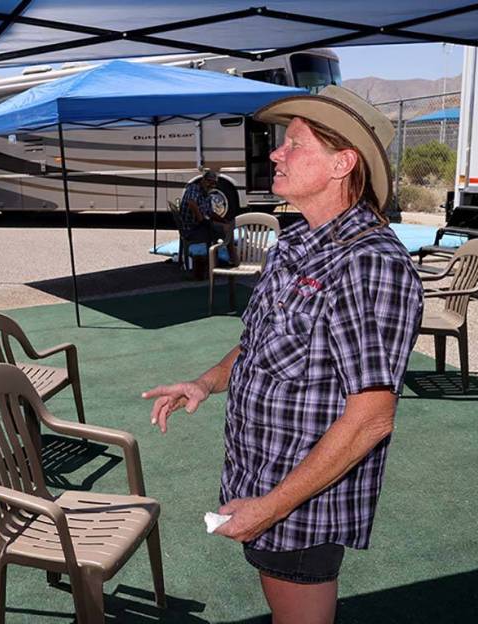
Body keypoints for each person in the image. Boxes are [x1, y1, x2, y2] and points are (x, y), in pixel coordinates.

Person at [143, 87, 423, 624]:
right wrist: (204, 382)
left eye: (294, 144)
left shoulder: (369, 263)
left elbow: (371, 419)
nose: (275, 154)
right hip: (261, 477)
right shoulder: (297, 241)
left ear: (343, 163)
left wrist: (271, 508)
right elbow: (259, 341)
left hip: (301, 503)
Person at [176, 169, 230, 246]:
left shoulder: (207, 194)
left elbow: (210, 213)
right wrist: (201, 220)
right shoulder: (194, 188)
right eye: (209, 181)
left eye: (214, 183)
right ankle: (231, 255)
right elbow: (191, 203)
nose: (211, 185)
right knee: (225, 230)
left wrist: (224, 220)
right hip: (191, 229)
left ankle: (219, 253)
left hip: (200, 226)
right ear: (203, 180)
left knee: (226, 227)